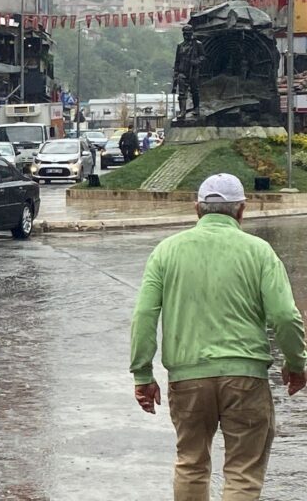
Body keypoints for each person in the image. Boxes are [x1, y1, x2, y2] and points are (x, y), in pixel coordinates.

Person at [130, 173, 306, 500]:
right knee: (243, 472)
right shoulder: (260, 252)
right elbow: (285, 315)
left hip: (187, 378)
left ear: (197, 209)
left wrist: (143, 375)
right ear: (241, 210)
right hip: (246, 378)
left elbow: (144, 315)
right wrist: (296, 364)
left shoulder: (166, 251)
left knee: (191, 463)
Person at [173, 24, 205, 120]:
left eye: (188, 33)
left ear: (191, 33)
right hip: (182, 72)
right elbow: (177, 61)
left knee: (195, 90)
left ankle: (196, 108)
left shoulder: (197, 44)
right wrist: (176, 73)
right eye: (184, 34)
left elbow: (203, 57)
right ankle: (182, 111)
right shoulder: (180, 45)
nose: (186, 35)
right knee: (182, 93)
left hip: (193, 71)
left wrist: (196, 61)